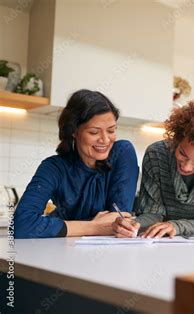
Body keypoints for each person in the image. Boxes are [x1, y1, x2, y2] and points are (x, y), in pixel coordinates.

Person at [14, 90, 139, 238]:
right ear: (74, 131)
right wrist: (94, 227)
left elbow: (119, 220)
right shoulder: (54, 168)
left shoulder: (122, 153)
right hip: (64, 251)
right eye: (94, 132)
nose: (105, 140)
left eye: (111, 130)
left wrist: (76, 226)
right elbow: (20, 225)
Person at [113, 100, 194, 238]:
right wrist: (133, 224)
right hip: (163, 243)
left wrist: (177, 226)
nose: (186, 167)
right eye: (182, 153)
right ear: (178, 138)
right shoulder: (156, 154)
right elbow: (152, 213)